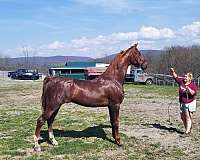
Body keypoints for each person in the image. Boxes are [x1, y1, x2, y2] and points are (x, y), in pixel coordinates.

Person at [170, 68, 197, 135]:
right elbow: (175, 77)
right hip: (182, 102)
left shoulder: (193, 85)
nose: (184, 77)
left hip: (190, 102)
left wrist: (189, 89)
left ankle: (187, 131)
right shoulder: (181, 82)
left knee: (188, 116)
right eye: (184, 76)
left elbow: (193, 93)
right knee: (182, 117)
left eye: (186, 76)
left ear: (189, 78)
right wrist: (173, 71)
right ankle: (188, 128)